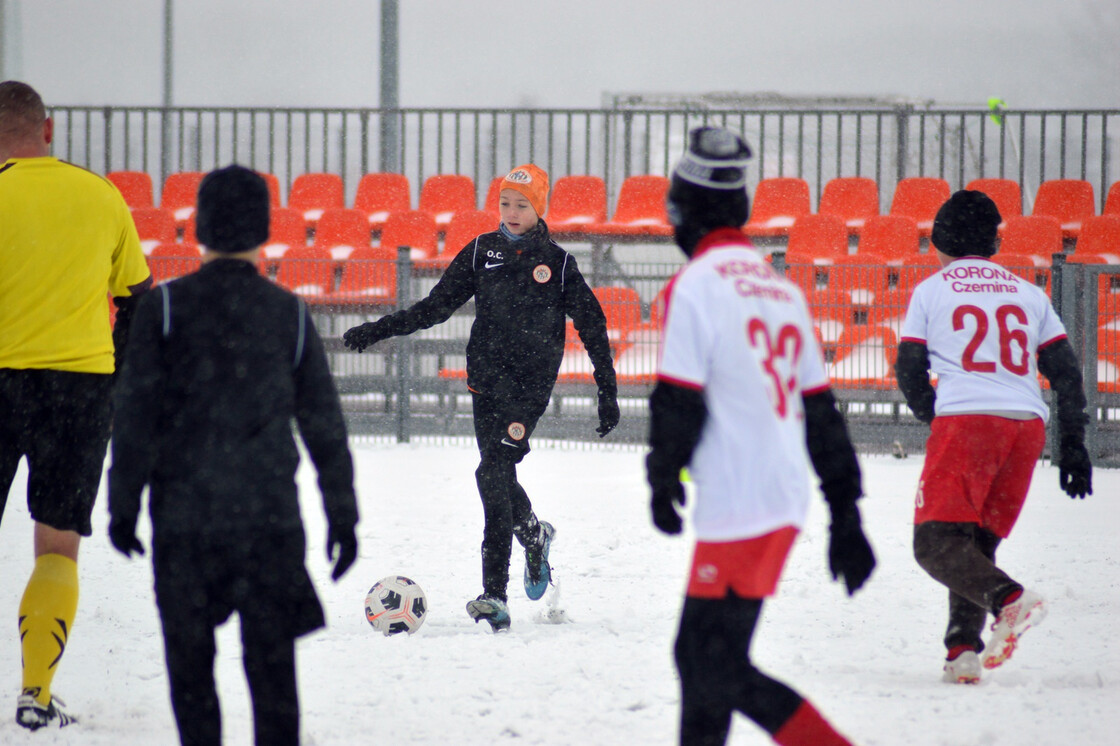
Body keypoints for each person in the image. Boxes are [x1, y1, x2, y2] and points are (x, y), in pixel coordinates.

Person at [107, 165, 359, 745]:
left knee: (191, 672)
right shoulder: (289, 314)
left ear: (199, 228)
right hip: (267, 519)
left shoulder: (164, 310)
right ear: (265, 229)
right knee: (273, 676)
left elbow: (136, 417)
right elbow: (324, 427)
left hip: (185, 520)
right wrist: (343, 516)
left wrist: (123, 506)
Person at [646, 126, 876, 746]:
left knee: (707, 662)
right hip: (780, 498)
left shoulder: (695, 286)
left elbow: (677, 399)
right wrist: (845, 512)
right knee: (706, 661)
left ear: (682, 213)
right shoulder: (780, 289)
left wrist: (660, 477)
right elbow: (823, 412)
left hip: (738, 504)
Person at [343, 163, 619, 631]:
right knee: (498, 474)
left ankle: (495, 594)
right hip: (485, 381)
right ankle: (534, 535)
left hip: (528, 388)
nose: (511, 212)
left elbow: (592, 324)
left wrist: (606, 389)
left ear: (539, 208)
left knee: (490, 471)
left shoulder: (559, 264)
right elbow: (435, 307)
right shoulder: (480, 252)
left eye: (522, 205)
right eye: (505, 203)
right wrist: (378, 330)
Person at [0, 80, 152, 731]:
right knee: (57, 546)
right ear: (50, 130)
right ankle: (36, 694)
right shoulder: (99, 195)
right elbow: (140, 299)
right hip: (80, 386)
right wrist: (113, 373)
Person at [895, 189, 1092, 685]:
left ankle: (1011, 600)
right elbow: (1067, 373)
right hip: (1026, 425)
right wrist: (1073, 443)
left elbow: (910, 365)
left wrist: (932, 414)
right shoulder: (1028, 291)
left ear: (941, 238)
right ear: (991, 243)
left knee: (936, 543)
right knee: (975, 544)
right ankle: (962, 651)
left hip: (968, 420)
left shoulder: (932, 289)